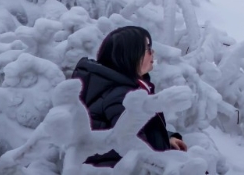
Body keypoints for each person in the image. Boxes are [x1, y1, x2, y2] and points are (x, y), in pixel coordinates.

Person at [72, 26, 188, 167]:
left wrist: (166, 139)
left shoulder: (121, 88)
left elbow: (136, 132)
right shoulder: (121, 96)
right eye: (147, 48)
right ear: (129, 54)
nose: (153, 52)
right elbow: (134, 151)